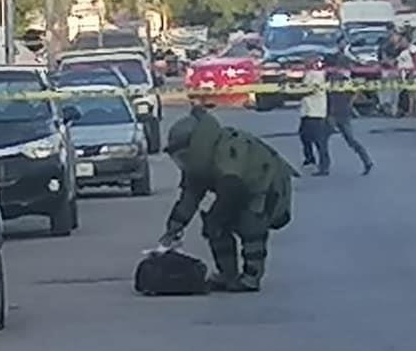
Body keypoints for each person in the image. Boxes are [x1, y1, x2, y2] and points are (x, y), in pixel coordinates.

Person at [158, 106, 296, 292]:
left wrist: (217, 217)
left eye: (183, 155)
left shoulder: (228, 148)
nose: (181, 162)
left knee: (251, 225)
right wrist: (174, 227)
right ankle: (228, 275)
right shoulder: (199, 163)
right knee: (215, 227)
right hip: (237, 188)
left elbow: (232, 188)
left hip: (265, 186)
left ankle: (251, 277)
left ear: (195, 146)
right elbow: (189, 198)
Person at [325, 39, 373, 175]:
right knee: (350, 140)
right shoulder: (343, 79)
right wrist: (350, 103)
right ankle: (366, 161)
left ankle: (325, 166)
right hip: (341, 111)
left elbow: (330, 94)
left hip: (336, 112)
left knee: (324, 139)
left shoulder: (336, 78)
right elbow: (355, 92)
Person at [298, 54, 330, 176]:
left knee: (319, 141)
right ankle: (310, 158)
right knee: (304, 135)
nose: (305, 62)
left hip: (316, 112)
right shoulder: (309, 74)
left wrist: (297, 91)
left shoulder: (317, 74)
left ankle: (324, 166)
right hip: (307, 111)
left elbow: (311, 89)